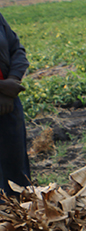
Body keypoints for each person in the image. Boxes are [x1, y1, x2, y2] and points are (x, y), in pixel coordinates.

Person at [0, 13, 31, 196]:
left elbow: (17, 49)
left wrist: (13, 80)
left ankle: (20, 216)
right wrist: (3, 87)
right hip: (6, 93)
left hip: (9, 102)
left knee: (15, 164)